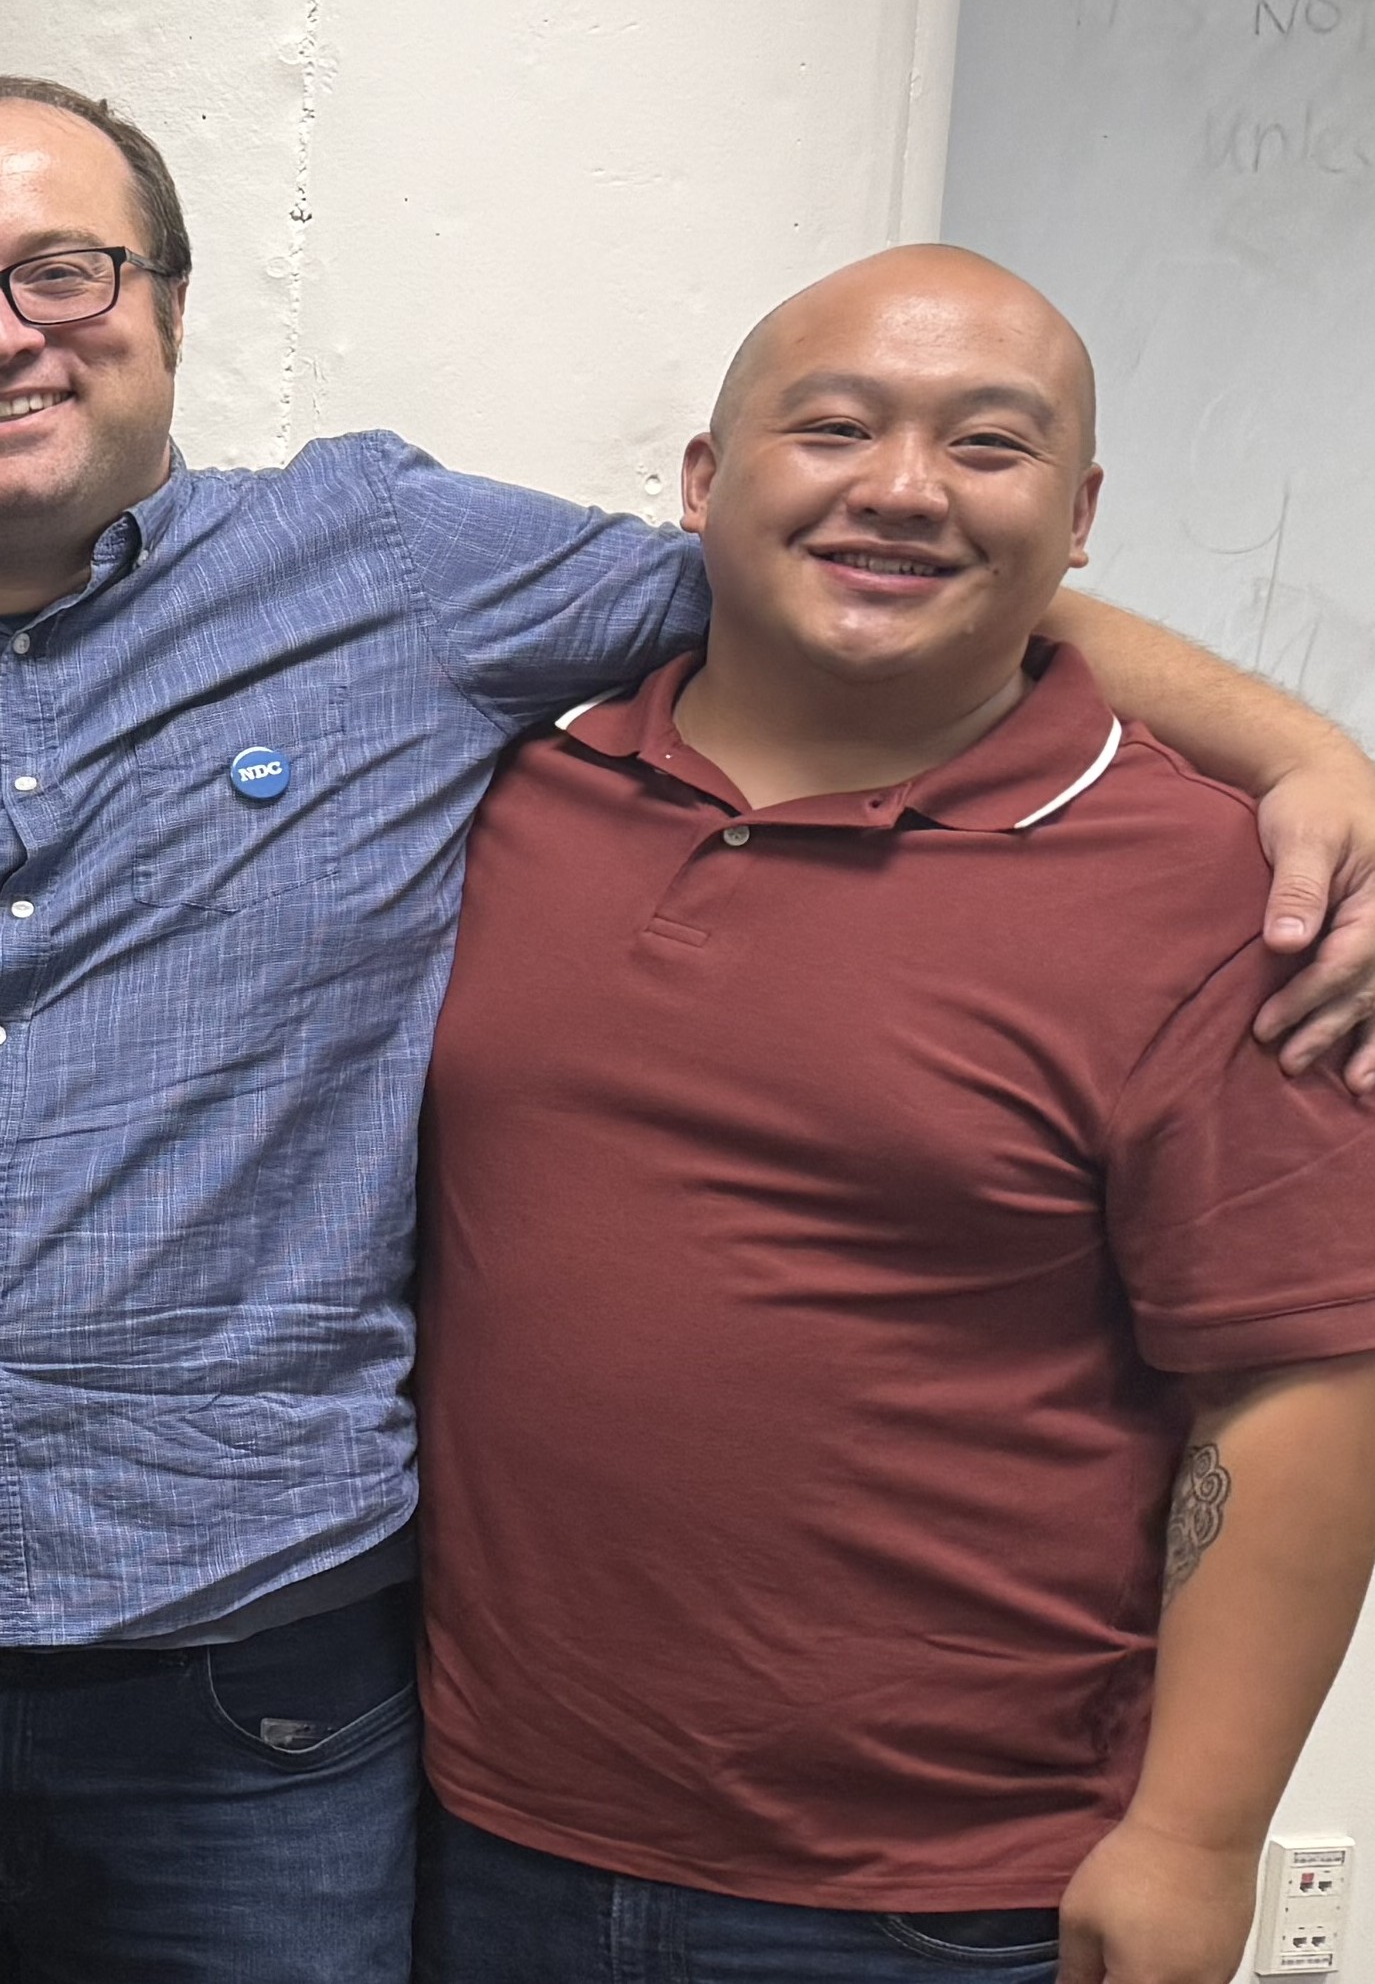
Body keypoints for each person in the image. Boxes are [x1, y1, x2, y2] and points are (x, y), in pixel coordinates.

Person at [0, 75, 1375, 1982]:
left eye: (64, 269)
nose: (0, 330)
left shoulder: (396, 572)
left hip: (263, 1706)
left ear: (172, 309)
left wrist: (1303, 748)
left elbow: (853, 575)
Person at [414, 247, 1375, 1984]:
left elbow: (1303, 1373)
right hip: (462, 1835)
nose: (906, 487)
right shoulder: (514, 802)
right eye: (836, 425)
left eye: (989, 448)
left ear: (1080, 519)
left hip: (935, 1898)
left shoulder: (1224, 893)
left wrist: (1198, 1834)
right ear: (702, 486)